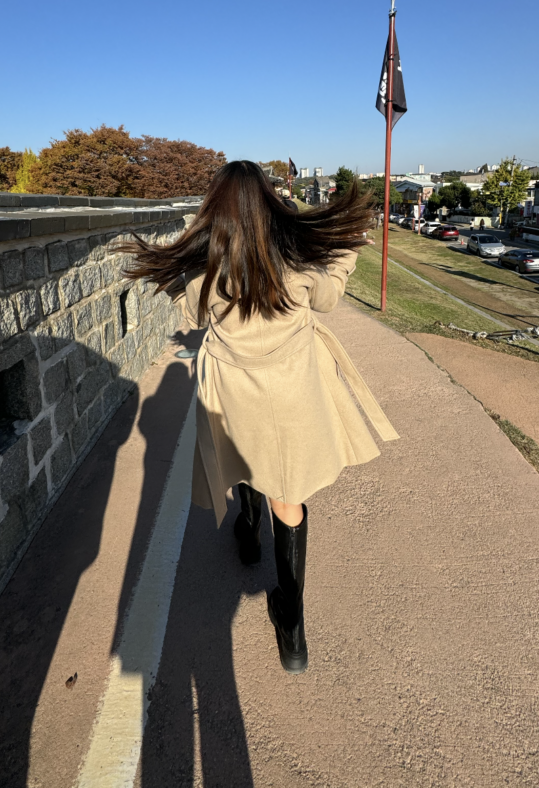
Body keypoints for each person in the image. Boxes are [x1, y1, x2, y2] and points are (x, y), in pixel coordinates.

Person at [118, 161, 398, 674]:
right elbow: (330, 299)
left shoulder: (206, 271)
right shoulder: (295, 260)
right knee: (288, 495)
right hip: (292, 389)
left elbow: (190, 315)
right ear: (269, 202)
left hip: (233, 386)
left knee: (241, 458)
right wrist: (341, 260)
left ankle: (247, 533)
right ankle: (292, 628)